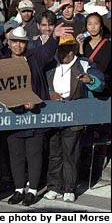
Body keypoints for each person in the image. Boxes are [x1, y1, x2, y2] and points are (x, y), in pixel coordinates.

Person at [4, 24, 73, 207]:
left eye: (22, 42)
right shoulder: (2, 61)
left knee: (34, 154)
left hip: (35, 116)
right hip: (13, 117)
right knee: (16, 155)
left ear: (26, 44)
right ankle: (19, 189)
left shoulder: (34, 58)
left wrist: (54, 37)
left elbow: (48, 50)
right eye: (15, 42)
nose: (18, 46)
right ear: (9, 43)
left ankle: (32, 190)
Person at [44, 35, 104, 203]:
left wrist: (90, 80)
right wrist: (49, 94)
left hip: (74, 117)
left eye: (69, 48)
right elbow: (41, 84)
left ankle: (69, 188)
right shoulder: (51, 64)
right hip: (53, 116)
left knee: (70, 153)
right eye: (62, 48)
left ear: (74, 49)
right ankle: (53, 186)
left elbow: (100, 83)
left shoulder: (84, 63)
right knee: (54, 153)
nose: (65, 52)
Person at [77, 12, 111, 98]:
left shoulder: (108, 45)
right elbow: (80, 63)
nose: (93, 27)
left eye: (96, 23)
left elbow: (103, 67)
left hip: (102, 86)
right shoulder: (84, 44)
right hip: (85, 87)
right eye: (89, 24)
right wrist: (80, 46)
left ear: (101, 26)